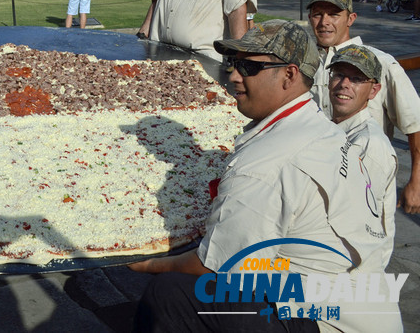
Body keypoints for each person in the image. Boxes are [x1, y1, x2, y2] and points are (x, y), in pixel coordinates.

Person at [130, 20, 401, 332]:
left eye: (247, 67)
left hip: (329, 320)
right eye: (232, 63)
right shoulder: (319, 125)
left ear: (289, 75)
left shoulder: (266, 163)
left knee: (169, 294)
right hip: (364, 301)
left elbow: (215, 267)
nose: (232, 75)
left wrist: (149, 264)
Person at [307, 0, 420, 214]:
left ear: (351, 18)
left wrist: (416, 181)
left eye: (334, 14)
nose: (324, 22)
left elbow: (415, 124)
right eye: (318, 14)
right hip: (314, 182)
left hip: (366, 183)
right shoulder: (304, 66)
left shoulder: (381, 63)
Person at [327, 45, 397, 269]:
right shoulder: (333, 129)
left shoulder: (368, 144)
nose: (344, 84)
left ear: (374, 90)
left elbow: (358, 223)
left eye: (356, 79)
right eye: (338, 74)